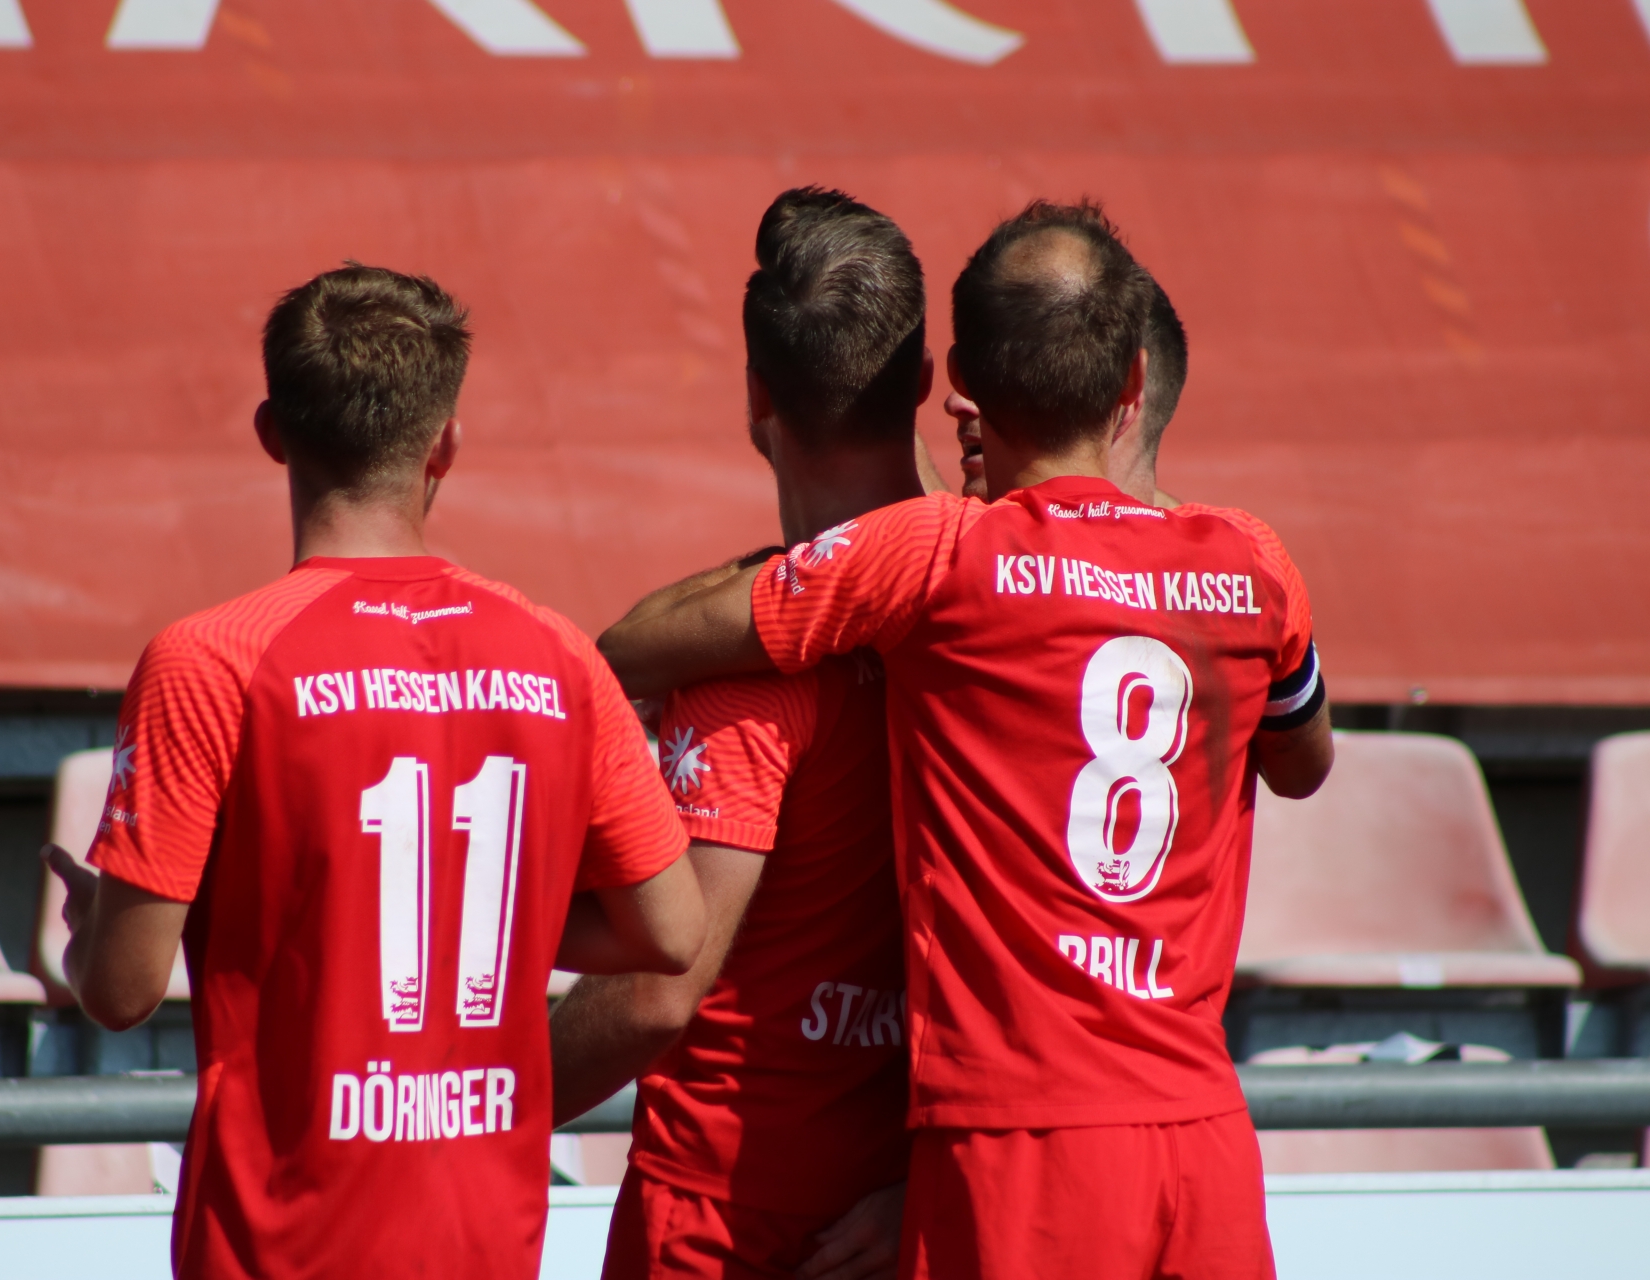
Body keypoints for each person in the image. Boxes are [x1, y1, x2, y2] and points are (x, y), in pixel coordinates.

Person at [598, 200, 1334, 1279]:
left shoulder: (936, 556)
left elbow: (633, 646)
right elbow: (1306, 762)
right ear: (1133, 382)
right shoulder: (1251, 558)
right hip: (1203, 1134)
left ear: (964, 394)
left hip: (1017, 1143)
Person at [43, 264, 706, 1280]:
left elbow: (122, 992)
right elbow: (671, 931)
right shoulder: (557, 652)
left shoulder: (211, 660)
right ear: (446, 443)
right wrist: (482, 910)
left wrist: (98, 925)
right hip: (485, 1242)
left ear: (273, 432)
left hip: (277, 1248)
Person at [549, 188, 926, 1280]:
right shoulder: (1006, 616)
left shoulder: (744, 676)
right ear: (925, 382)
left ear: (756, 396)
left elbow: (657, 993)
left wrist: (471, 1099)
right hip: (928, 1199)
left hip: (724, 1223)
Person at [949, 277, 1186, 507]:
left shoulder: (948, 528)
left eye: (1010, 374)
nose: (957, 401)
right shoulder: (1201, 530)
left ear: (1123, 391)